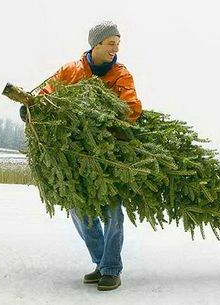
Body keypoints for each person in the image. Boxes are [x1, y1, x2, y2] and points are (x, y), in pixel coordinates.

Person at [20, 21, 142, 291]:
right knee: (79, 209)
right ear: (95, 44)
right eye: (111, 43)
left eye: (118, 44)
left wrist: (103, 123)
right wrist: (32, 110)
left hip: (107, 154)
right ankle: (101, 263)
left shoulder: (121, 74)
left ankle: (112, 268)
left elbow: (132, 107)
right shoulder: (70, 70)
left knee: (112, 211)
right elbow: (45, 96)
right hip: (73, 155)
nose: (116, 49)